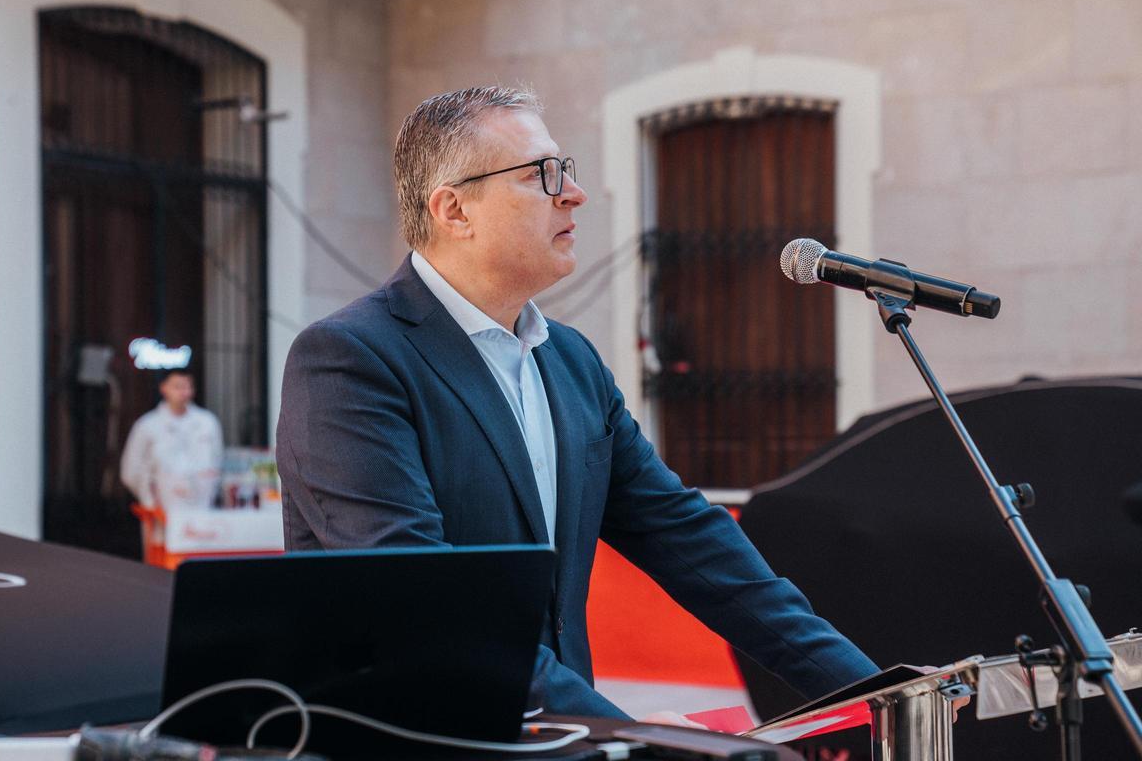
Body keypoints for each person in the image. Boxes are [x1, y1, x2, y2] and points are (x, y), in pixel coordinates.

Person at [276, 86, 879, 719]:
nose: (574, 193)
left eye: (566, 171)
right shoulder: (350, 359)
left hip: (560, 737)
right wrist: (619, 739)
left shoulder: (571, 361)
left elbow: (689, 539)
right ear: (455, 211)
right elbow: (424, 602)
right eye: (542, 175)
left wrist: (874, 690)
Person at [121, 368, 223, 512]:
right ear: (164, 388)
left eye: (188, 387)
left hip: (201, 507)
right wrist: (149, 500)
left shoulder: (207, 422)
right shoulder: (147, 425)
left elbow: (217, 461)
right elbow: (131, 470)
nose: (184, 392)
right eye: (178, 387)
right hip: (161, 509)